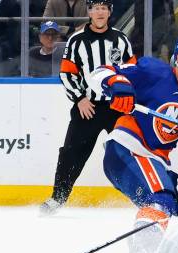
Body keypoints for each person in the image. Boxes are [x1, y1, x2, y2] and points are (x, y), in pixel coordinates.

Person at [86, 34, 178, 253]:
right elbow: (98, 73)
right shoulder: (152, 72)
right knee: (160, 197)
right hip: (127, 149)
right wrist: (118, 85)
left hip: (155, 162)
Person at [40, 0, 135, 215]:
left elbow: (131, 71)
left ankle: (143, 195)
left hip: (117, 108)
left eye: (104, 8)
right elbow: (67, 73)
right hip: (88, 107)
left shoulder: (121, 39)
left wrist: (126, 96)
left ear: (110, 12)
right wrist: (80, 98)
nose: (100, 12)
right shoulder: (76, 41)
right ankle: (58, 197)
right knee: (71, 153)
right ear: (89, 11)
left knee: (132, 151)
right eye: (96, 8)